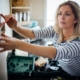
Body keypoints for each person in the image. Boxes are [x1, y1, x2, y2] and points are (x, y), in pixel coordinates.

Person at [0, 0, 80, 76]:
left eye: (67, 14)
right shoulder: (56, 30)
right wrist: (15, 26)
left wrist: (18, 44)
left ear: (76, 19)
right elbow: (33, 34)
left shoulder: (78, 43)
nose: (62, 17)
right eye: (60, 13)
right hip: (63, 70)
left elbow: (54, 53)